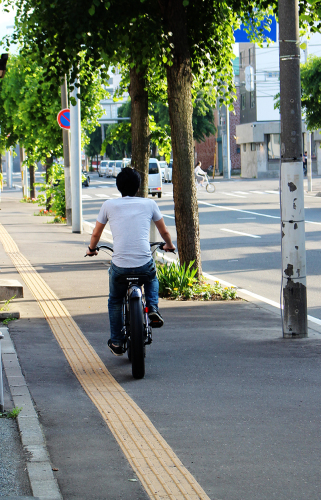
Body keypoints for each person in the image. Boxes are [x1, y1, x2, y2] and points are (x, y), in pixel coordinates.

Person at [86, 167, 176, 356]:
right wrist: (169, 245)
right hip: (144, 263)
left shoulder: (109, 205)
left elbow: (96, 233)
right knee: (151, 277)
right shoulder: (149, 204)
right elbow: (164, 232)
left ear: (118, 186)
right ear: (138, 186)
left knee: (115, 300)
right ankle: (152, 308)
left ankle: (117, 342)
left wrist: (92, 249)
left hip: (120, 267)